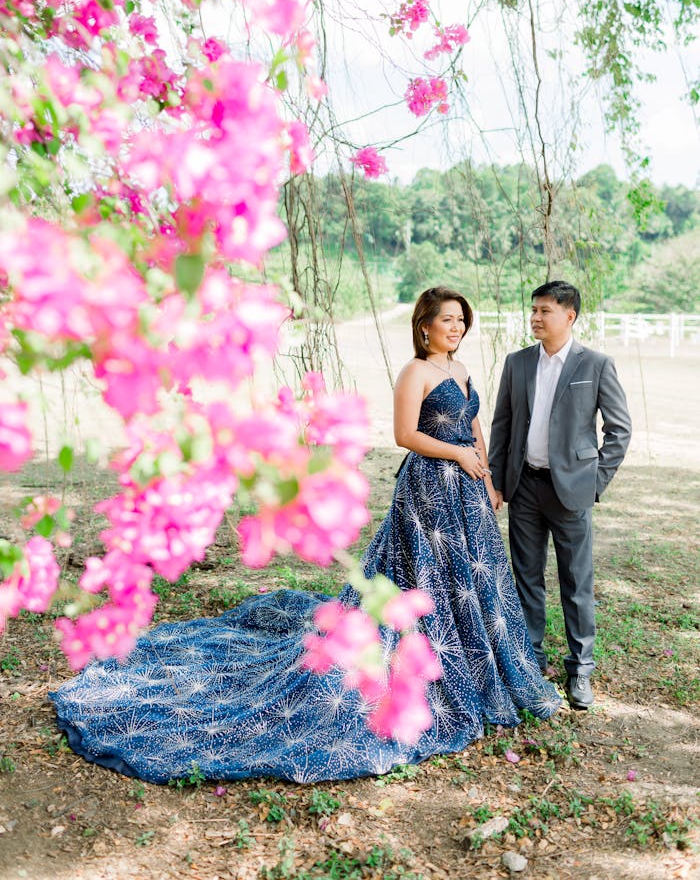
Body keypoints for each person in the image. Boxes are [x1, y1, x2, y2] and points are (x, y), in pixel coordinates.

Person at [49, 286, 560, 785]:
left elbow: (473, 429)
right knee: (425, 575)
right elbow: (406, 435)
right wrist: (455, 456)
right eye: (448, 319)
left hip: (468, 493)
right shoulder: (416, 372)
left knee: (471, 580)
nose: (457, 327)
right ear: (424, 325)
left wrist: (488, 477)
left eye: (461, 320)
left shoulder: (462, 370)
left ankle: (480, 664)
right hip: (429, 487)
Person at [488, 281, 632, 710]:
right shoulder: (517, 363)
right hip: (524, 487)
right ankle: (531, 664)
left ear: (569, 316)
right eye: (533, 309)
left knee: (576, 583)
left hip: (572, 492)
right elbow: (502, 425)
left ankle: (580, 670)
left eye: (544, 310)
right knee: (526, 578)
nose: (535, 317)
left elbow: (619, 431)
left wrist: (595, 482)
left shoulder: (597, 364)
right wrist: (497, 480)